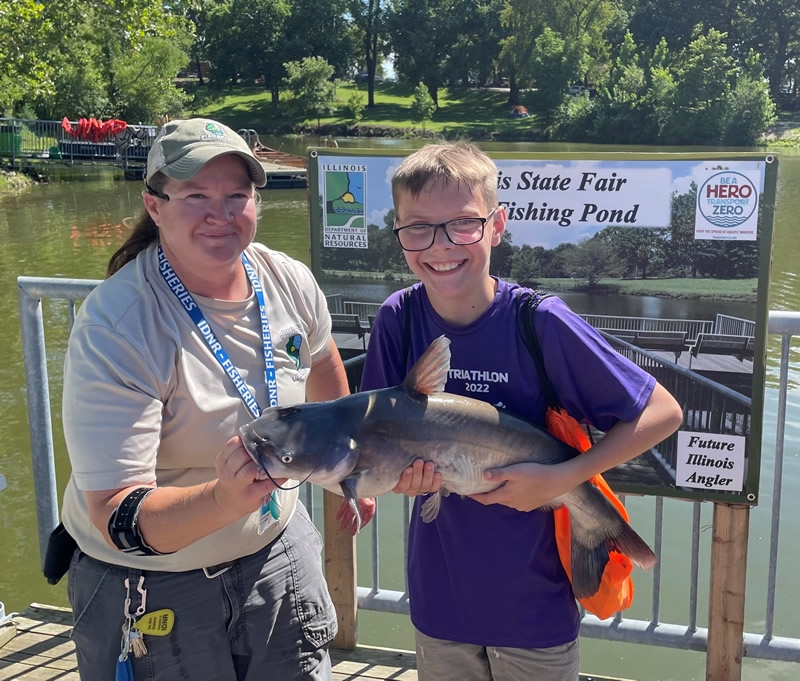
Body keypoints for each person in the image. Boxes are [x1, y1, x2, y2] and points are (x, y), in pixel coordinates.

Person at [358, 142, 684, 681]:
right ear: (398, 230)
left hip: (535, 603)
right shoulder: (399, 317)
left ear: (497, 224)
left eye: (463, 224)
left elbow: (662, 412)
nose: (440, 246)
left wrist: (562, 477)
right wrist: (395, 480)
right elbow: (379, 439)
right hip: (441, 598)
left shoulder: (541, 321)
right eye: (418, 228)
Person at [60, 118, 359, 680]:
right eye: (196, 195)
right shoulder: (119, 323)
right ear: (154, 206)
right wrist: (224, 500)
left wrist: (349, 464)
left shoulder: (286, 278)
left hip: (277, 555)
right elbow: (112, 511)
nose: (219, 214)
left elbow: (320, 361)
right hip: (155, 587)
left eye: (236, 196)